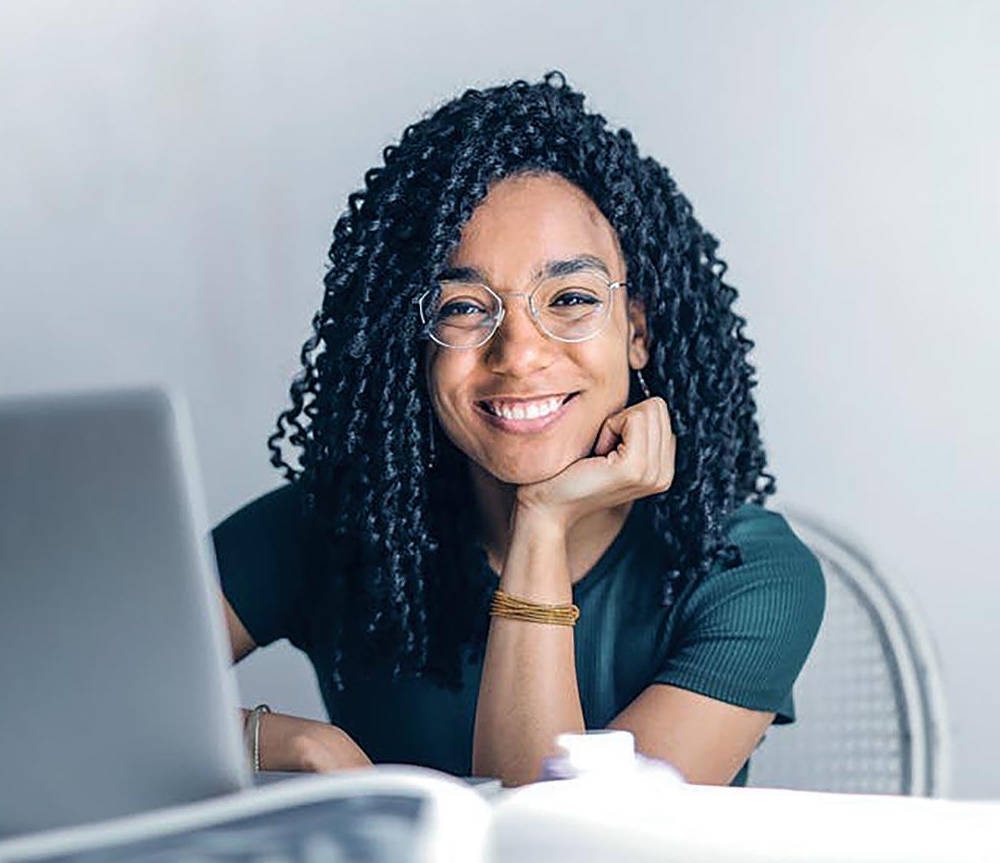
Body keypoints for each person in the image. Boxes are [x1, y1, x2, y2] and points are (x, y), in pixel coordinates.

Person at [211, 71, 826, 788]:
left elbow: (558, 841)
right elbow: (68, 693)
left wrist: (542, 521)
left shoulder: (745, 572)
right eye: (464, 307)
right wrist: (294, 743)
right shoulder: (334, 526)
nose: (521, 353)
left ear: (638, 330)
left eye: (569, 298)